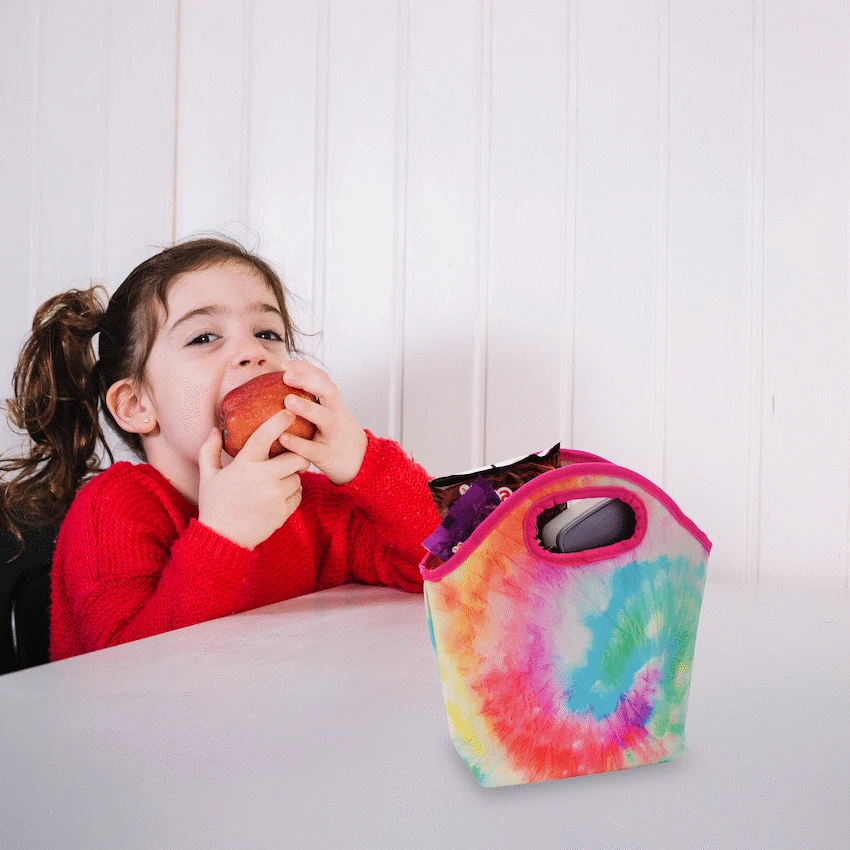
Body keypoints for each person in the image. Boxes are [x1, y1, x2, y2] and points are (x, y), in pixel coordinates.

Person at [0, 236, 440, 661]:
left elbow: (440, 565)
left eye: (267, 332)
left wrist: (361, 460)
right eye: (204, 338)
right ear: (137, 405)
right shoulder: (112, 511)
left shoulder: (309, 506)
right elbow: (129, 677)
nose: (253, 351)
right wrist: (223, 537)